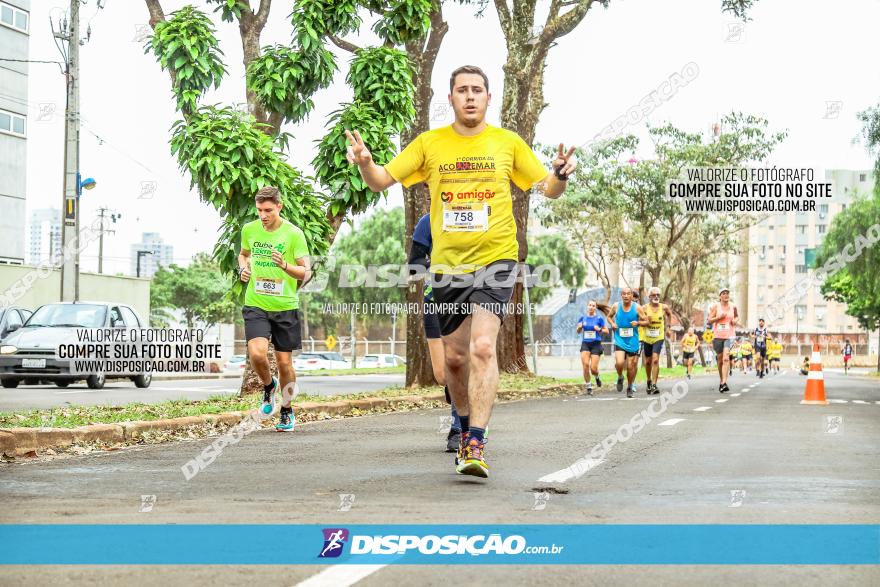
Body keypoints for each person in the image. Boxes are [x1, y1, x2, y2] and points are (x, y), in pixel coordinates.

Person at [346, 65, 576, 479]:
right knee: (453, 361)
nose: (470, 96)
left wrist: (558, 174)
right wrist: (365, 163)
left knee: (483, 348)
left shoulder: (507, 143)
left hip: (497, 259)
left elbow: (547, 188)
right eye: (462, 90)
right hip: (448, 266)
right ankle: (464, 423)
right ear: (450, 98)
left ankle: (476, 441)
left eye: (477, 90)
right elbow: (381, 181)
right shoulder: (429, 144)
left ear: (489, 98)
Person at [238, 186, 311, 431]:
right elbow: (243, 254)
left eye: (268, 210)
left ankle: (287, 411)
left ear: (279, 206)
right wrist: (243, 268)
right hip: (256, 302)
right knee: (257, 354)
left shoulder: (294, 234)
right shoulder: (249, 229)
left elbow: (306, 272)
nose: (263, 215)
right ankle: (269, 387)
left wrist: (285, 266)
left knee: (284, 363)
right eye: (259, 210)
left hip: (285, 306)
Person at [409, 213, 461, 452]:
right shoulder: (427, 222)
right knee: (443, 375)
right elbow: (415, 264)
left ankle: (461, 428)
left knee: (462, 363)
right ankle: (463, 403)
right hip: (435, 299)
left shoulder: (480, 214)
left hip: (471, 299)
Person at [607, 287, 646, 398]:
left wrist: (638, 323)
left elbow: (647, 321)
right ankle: (620, 376)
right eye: (624, 294)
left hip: (632, 341)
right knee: (619, 363)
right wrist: (612, 324)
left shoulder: (637, 308)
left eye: (628, 294)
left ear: (632, 296)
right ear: (621, 295)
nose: (626, 296)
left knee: (630, 366)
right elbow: (609, 317)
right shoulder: (616, 306)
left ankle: (629, 386)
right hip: (620, 339)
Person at [639, 286, 672, 395]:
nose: (656, 297)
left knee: (655, 360)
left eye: (658, 295)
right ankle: (648, 380)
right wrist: (645, 321)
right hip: (647, 337)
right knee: (648, 361)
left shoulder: (664, 307)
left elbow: (669, 314)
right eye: (654, 295)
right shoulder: (644, 308)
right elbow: (639, 318)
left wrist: (668, 328)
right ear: (649, 297)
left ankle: (654, 384)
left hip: (659, 336)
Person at [708, 286, 738, 393]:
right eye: (723, 293)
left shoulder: (733, 306)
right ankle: (721, 381)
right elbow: (709, 320)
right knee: (720, 360)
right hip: (717, 336)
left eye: (727, 293)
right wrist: (718, 318)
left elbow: (736, 316)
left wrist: (734, 321)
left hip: (729, 336)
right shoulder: (715, 306)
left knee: (726, 358)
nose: (726, 295)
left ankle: (724, 382)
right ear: (720, 296)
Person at [577, 300, 609, 395]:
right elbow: (578, 331)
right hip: (585, 344)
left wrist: (599, 329)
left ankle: (597, 377)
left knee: (593, 368)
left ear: (595, 308)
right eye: (590, 305)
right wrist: (579, 328)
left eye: (593, 306)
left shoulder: (599, 319)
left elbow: (606, 331)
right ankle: (588, 385)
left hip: (596, 344)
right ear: (587, 306)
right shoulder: (582, 318)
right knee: (585, 365)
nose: (591, 307)